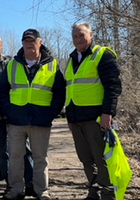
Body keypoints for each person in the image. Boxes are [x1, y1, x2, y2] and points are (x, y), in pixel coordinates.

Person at [0, 29, 65, 200]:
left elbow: (60, 93)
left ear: (40, 42)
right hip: (17, 121)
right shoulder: (12, 64)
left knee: (40, 158)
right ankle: (16, 189)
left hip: (41, 120)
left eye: (32, 41)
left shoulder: (52, 64)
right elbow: (2, 91)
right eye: (26, 41)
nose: (29, 44)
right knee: (15, 157)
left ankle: (42, 190)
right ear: (22, 43)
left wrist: (50, 113)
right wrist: (9, 111)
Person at [65, 22, 122, 200]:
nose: (78, 39)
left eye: (82, 35)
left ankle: (107, 193)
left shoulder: (102, 55)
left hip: (96, 118)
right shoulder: (72, 58)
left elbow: (113, 86)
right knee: (86, 158)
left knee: (101, 158)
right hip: (76, 118)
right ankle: (94, 191)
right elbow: (70, 88)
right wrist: (69, 117)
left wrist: (108, 113)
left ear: (91, 35)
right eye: (75, 36)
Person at [0, 34, 37, 197]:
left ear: (2, 45)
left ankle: (31, 183)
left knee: (24, 150)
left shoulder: (12, 63)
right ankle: (12, 186)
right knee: (2, 152)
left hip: (14, 115)